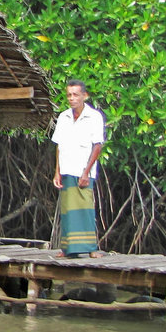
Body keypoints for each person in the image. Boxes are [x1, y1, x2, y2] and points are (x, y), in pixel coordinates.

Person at [51, 80, 105, 257]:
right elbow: (59, 145)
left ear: (84, 96)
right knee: (67, 211)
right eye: (69, 95)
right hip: (66, 169)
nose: (72, 98)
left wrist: (86, 172)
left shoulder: (94, 116)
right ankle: (68, 249)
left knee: (85, 209)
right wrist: (56, 172)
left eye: (75, 95)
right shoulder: (63, 117)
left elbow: (97, 146)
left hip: (83, 171)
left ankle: (91, 249)